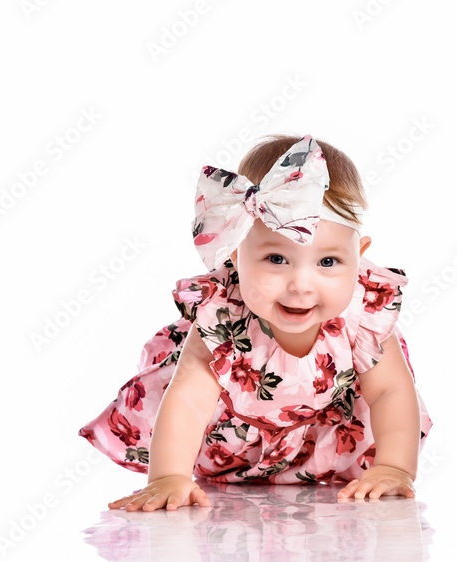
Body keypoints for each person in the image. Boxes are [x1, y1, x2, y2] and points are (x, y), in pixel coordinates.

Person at [79, 134, 433, 512]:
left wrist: (395, 468)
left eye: (328, 262)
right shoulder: (222, 313)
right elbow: (189, 399)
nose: (301, 286)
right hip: (229, 454)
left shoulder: (364, 315)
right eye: (276, 259)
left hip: (322, 450)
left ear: (358, 256)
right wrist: (169, 476)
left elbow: (390, 392)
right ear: (236, 252)